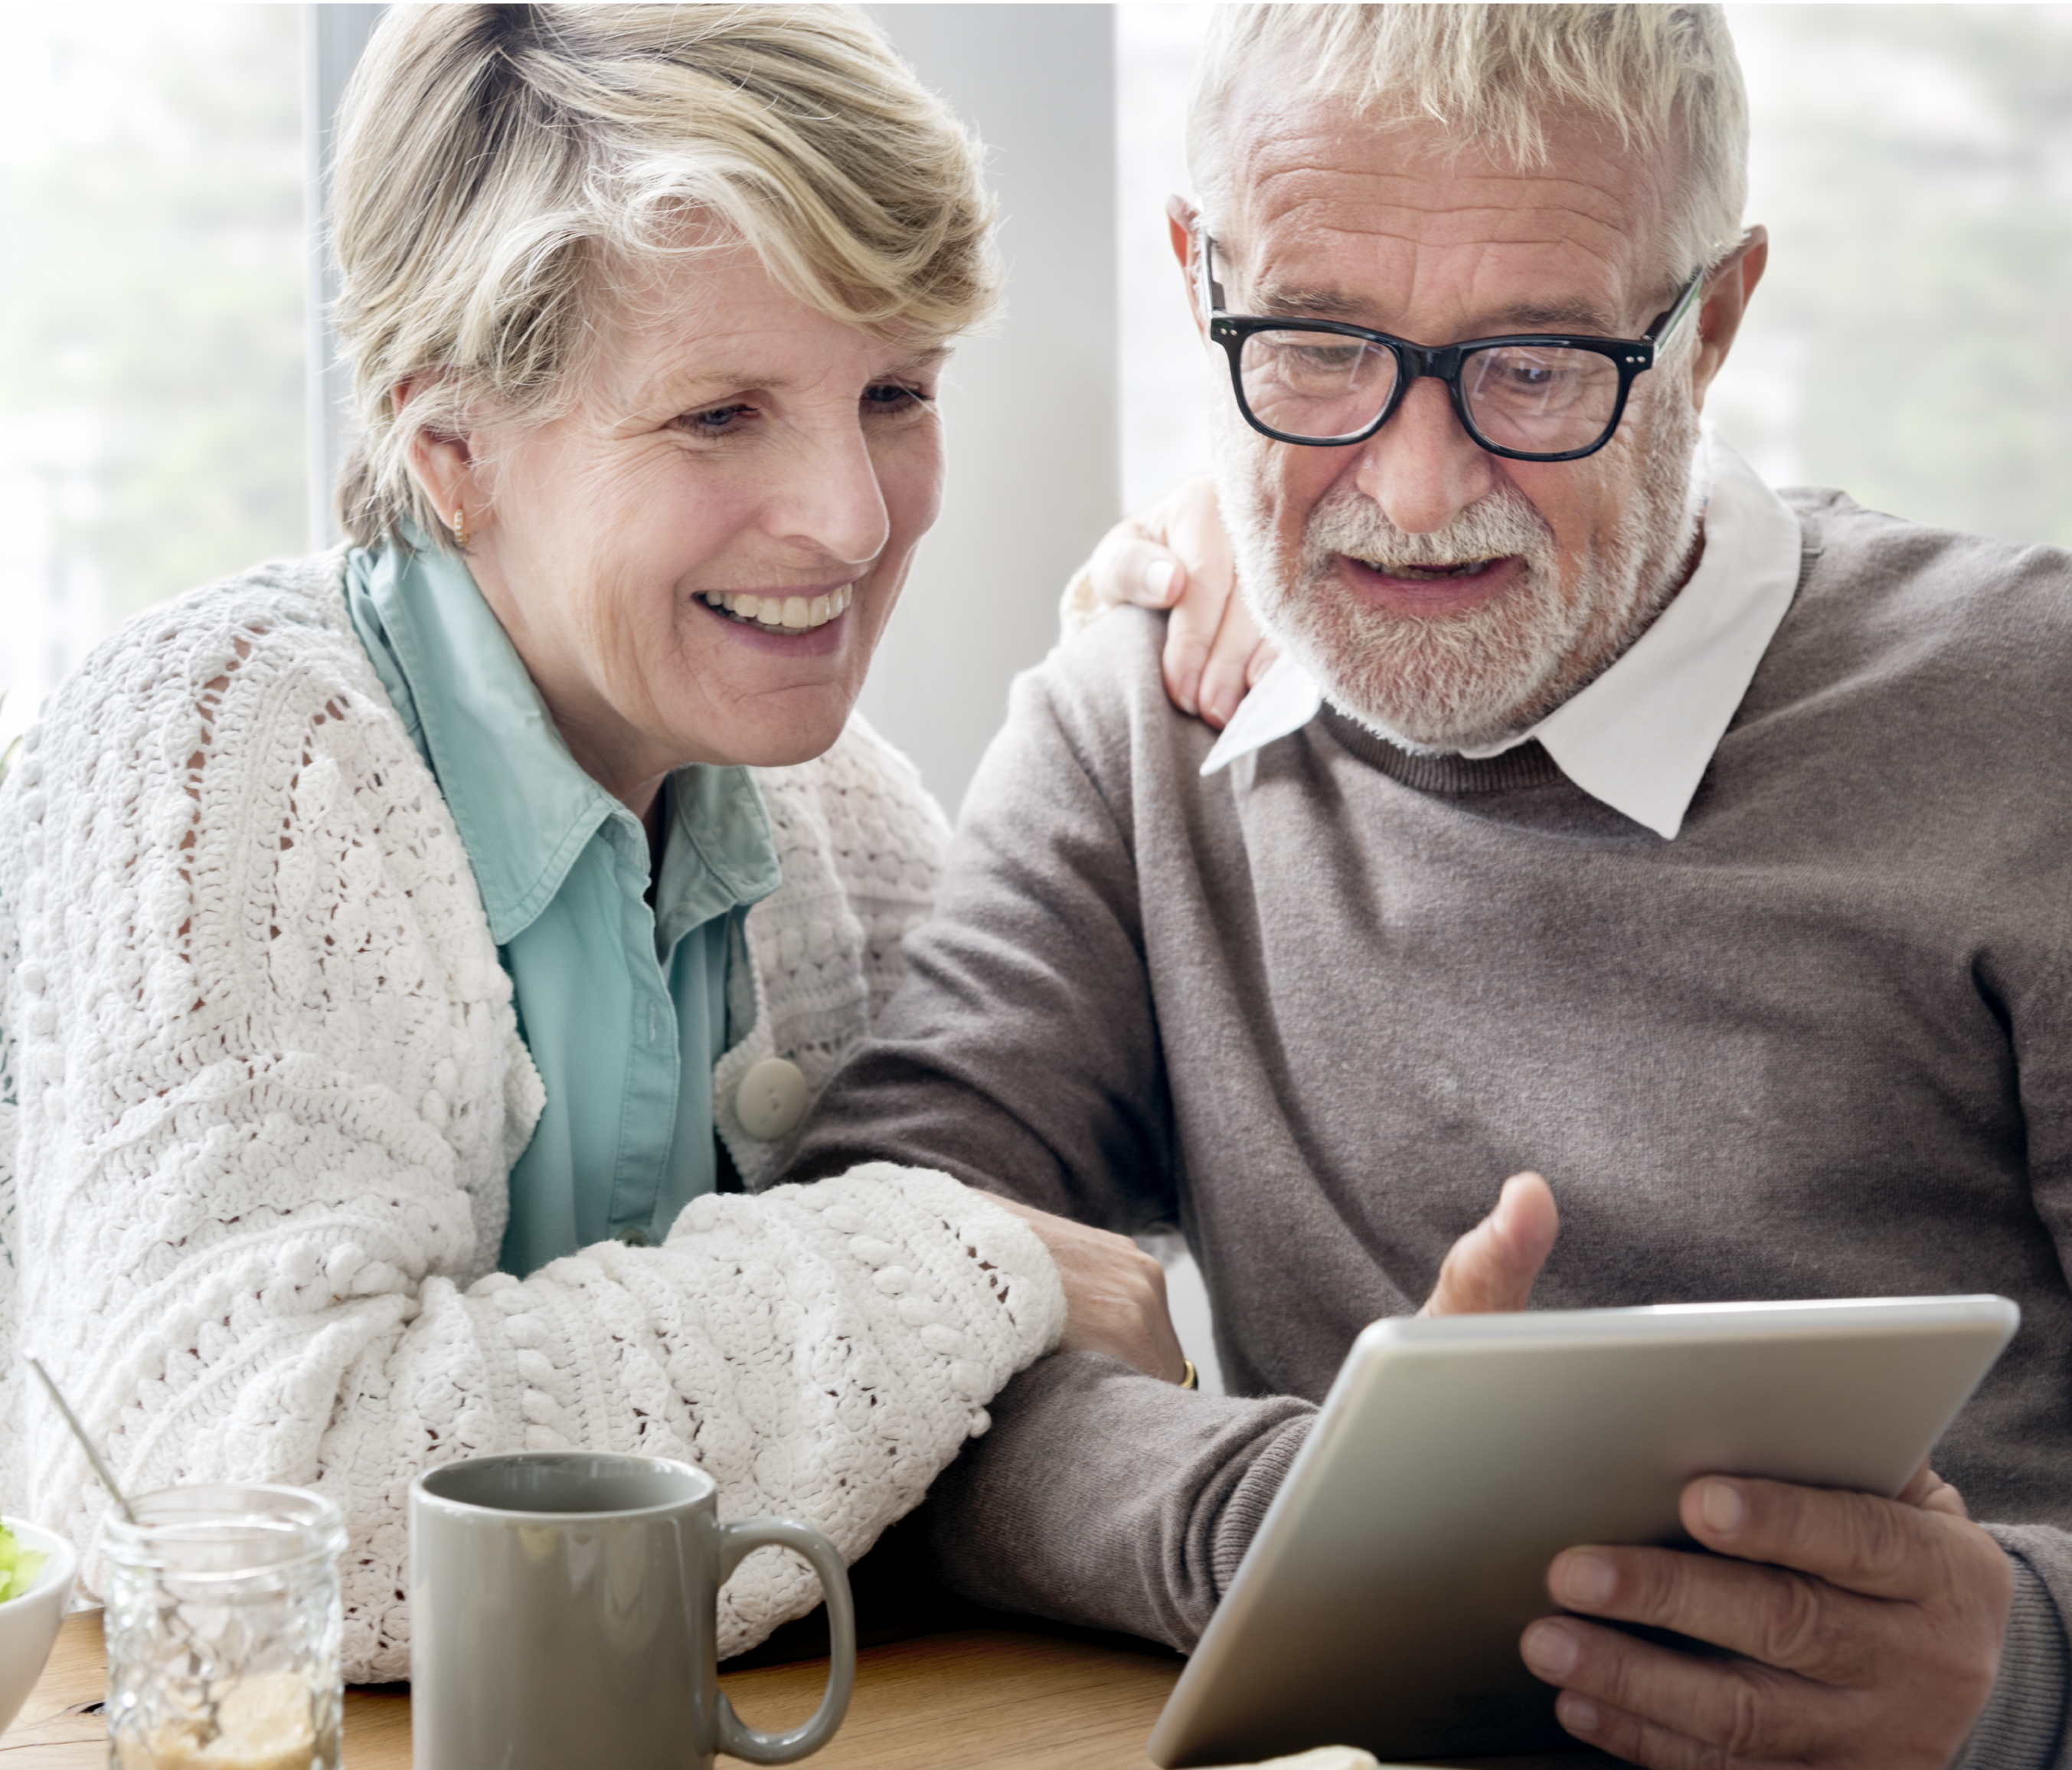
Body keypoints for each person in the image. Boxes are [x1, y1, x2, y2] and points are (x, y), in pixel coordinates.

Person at [793, 5, 2072, 1768]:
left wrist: (2021, 1668)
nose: (1411, 489)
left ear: (1711, 324)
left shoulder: (2032, 721)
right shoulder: (1136, 739)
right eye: (1320, 347)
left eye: (1534, 366)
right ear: (1198, 276)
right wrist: (1311, 1513)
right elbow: (843, 1348)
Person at [0, 2, 1206, 1680]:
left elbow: (1048, 1334)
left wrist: (1256, 597)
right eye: (720, 415)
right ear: (451, 449)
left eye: (894, 392)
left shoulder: (837, 808)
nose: (853, 518)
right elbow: (244, 1508)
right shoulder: (223, 747)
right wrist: (953, 1268)